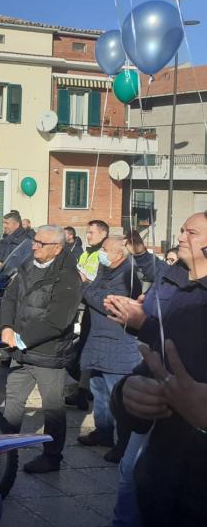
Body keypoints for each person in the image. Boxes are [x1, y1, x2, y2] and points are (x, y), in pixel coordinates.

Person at [105, 214, 207, 526]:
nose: (181, 236)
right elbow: (158, 350)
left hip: (193, 473)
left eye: (191, 232)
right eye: (181, 229)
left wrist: (144, 325)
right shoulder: (171, 276)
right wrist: (128, 392)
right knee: (130, 483)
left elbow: (181, 348)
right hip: (161, 450)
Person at [0, 224, 82, 473]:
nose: (34, 246)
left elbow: (58, 320)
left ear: (57, 248)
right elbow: (10, 298)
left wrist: (21, 339)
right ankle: (4, 451)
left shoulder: (68, 276)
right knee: (12, 403)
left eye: (40, 243)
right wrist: (5, 327)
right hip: (19, 351)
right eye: (34, 241)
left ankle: (52, 457)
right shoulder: (27, 266)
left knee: (53, 409)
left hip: (48, 353)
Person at [76, 236, 141, 463]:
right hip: (97, 343)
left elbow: (108, 303)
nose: (101, 253)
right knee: (99, 392)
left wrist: (84, 285)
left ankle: (123, 445)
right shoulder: (106, 269)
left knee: (119, 400)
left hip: (118, 347)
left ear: (118, 255)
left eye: (105, 249)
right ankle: (103, 433)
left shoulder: (128, 275)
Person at [67, 219, 111, 410]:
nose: (88, 236)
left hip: (97, 308)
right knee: (84, 348)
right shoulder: (87, 252)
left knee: (89, 350)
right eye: (87, 232)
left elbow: (97, 281)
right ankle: (83, 390)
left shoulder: (104, 254)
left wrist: (82, 277)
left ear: (103, 234)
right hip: (85, 306)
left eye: (91, 233)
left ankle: (85, 391)